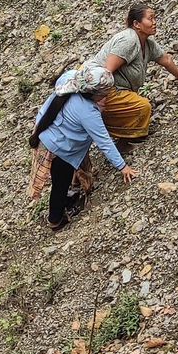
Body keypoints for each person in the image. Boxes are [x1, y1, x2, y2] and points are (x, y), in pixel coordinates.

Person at [30, 66, 138, 232]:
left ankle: (73, 192)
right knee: (60, 183)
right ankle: (55, 219)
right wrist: (123, 167)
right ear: (93, 93)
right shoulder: (87, 111)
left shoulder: (71, 79)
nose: (106, 97)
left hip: (44, 131)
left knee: (61, 178)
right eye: (104, 94)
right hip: (59, 149)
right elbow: (104, 142)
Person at [84, 5, 178, 143]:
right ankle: (115, 132)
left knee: (138, 105)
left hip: (115, 87)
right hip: (100, 86)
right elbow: (106, 70)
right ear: (136, 24)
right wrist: (100, 101)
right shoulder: (129, 41)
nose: (154, 22)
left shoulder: (148, 43)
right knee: (142, 107)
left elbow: (166, 60)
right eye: (150, 18)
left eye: (155, 18)